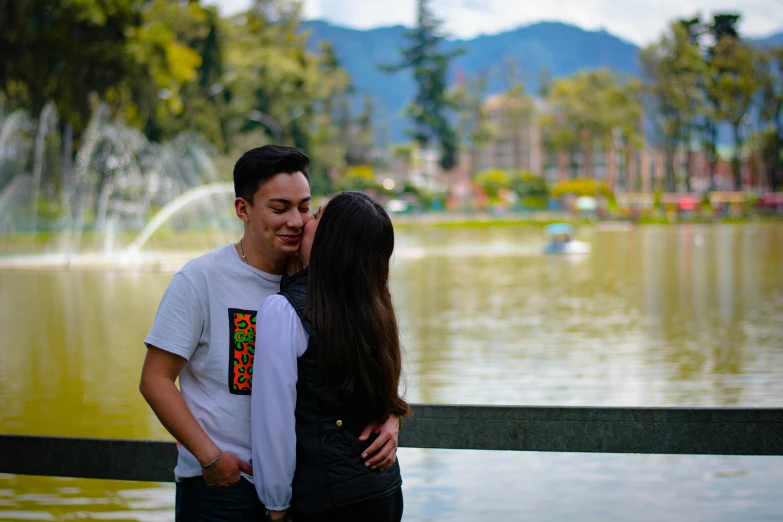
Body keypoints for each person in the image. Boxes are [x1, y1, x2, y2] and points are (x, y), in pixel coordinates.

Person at [139, 147, 400, 522]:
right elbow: (155, 379)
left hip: (305, 492)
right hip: (225, 486)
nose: (296, 220)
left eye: (305, 207)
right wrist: (211, 457)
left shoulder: (326, 282)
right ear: (243, 209)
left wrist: (390, 416)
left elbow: (372, 360)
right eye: (280, 209)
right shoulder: (200, 280)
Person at [251, 191, 412, 522]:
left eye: (316, 216)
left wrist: (276, 507)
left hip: (325, 501)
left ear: (331, 240)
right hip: (384, 491)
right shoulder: (376, 301)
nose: (304, 222)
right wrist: (392, 415)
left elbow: (274, 425)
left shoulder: (283, 310)